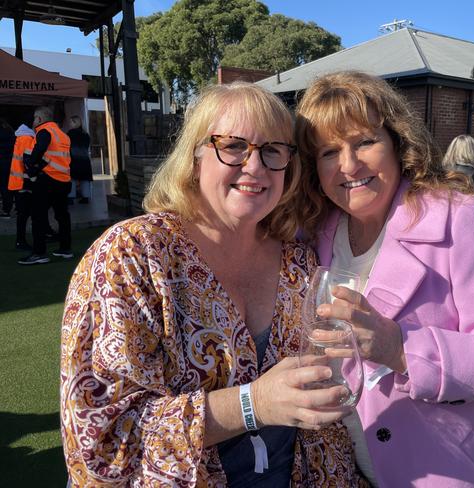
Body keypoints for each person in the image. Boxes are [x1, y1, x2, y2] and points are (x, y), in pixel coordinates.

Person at [60, 82, 367, 487]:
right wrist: (252, 403)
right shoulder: (133, 255)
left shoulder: (299, 261)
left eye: (273, 150)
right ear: (196, 156)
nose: (255, 167)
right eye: (234, 146)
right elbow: (102, 437)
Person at [294, 71, 474, 487]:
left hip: (450, 472)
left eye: (364, 141)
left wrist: (401, 349)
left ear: (398, 142)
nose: (349, 165)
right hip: (348, 469)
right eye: (328, 152)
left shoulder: (458, 218)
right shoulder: (316, 230)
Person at [18, 106, 73, 265]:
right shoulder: (63, 135)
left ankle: (39, 253)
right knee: (62, 216)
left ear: (40, 119)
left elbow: (40, 150)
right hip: (64, 180)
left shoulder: (44, 131)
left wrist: (31, 163)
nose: (34, 121)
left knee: (38, 216)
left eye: (35, 118)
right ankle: (65, 248)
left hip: (47, 180)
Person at [8, 122, 36, 250]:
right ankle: (21, 241)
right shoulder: (27, 138)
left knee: (23, 213)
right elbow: (28, 162)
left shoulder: (19, 137)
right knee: (24, 213)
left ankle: (21, 240)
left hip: (17, 182)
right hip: (23, 183)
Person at [67, 115, 93, 204]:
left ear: (75, 123)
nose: (69, 124)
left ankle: (70, 198)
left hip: (73, 159)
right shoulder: (86, 135)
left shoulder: (70, 134)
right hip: (85, 160)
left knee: (72, 179)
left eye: (71, 122)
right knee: (85, 179)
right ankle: (86, 198)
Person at [0, 118, 16, 218]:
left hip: (2, 163)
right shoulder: (11, 132)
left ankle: (6, 211)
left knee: (4, 188)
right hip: (9, 163)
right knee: (7, 187)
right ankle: (7, 210)